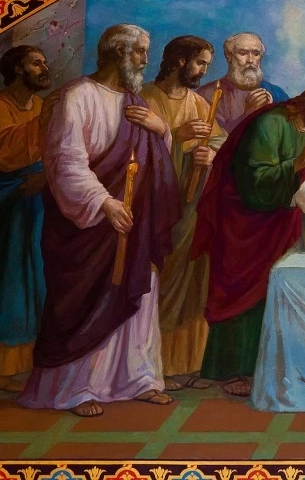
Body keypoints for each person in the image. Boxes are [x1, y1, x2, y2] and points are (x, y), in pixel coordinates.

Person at [18, 24, 180, 417]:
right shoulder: (77, 96)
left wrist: (161, 129)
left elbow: (153, 157)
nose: (145, 60)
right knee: (84, 302)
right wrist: (103, 202)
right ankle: (76, 387)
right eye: (140, 52)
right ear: (118, 53)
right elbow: (65, 161)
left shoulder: (135, 100)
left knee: (138, 293)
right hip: (88, 225)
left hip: (133, 220)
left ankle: (138, 378)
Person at [190, 81, 305, 397]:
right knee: (243, 293)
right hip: (247, 223)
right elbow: (252, 181)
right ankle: (230, 370)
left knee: (278, 291)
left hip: (285, 223)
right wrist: (298, 163)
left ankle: (271, 366)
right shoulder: (271, 123)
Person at [142, 36, 226, 390]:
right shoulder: (147, 99)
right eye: (200, 63)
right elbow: (135, 154)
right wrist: (176, 137)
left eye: (206, 64)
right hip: (158, 209)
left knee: (193, 281)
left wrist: (211, 155)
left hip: (191, 208)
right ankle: (154, 365)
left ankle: (187, 364)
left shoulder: (198, 101)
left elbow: (219, 141)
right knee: (162, 281)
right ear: (178, 61)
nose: (204, 70)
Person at [0, 46, 51, 392]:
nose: (44, 68)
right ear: (18, 69)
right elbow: (5, 154)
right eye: (36, 63)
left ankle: (29, 364)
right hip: (8, 202)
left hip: (37, 202)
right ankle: (6, 367)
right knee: (11, 279)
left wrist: (44, 176)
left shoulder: (41, 106)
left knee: (38, 276)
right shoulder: (2, 106)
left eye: (44, 62)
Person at [197, 32, 288, 133]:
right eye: (243, 53)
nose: (250, 60)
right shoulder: (208, 94)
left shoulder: (276, 93)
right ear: (229, 56)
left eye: (256, 54)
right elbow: (214, 137)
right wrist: (248, 114)